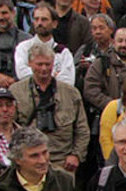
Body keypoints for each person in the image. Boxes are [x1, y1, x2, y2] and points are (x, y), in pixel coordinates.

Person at [11, 43, 89, 172]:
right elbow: (10, 128)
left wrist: (76, 155)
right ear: (30, 63)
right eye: (39, 64)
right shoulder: (16, 91)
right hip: (28, 161)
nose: (44, 68)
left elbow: (82, 129)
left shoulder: (71, 93)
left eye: (47, 64)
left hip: (63, 161)